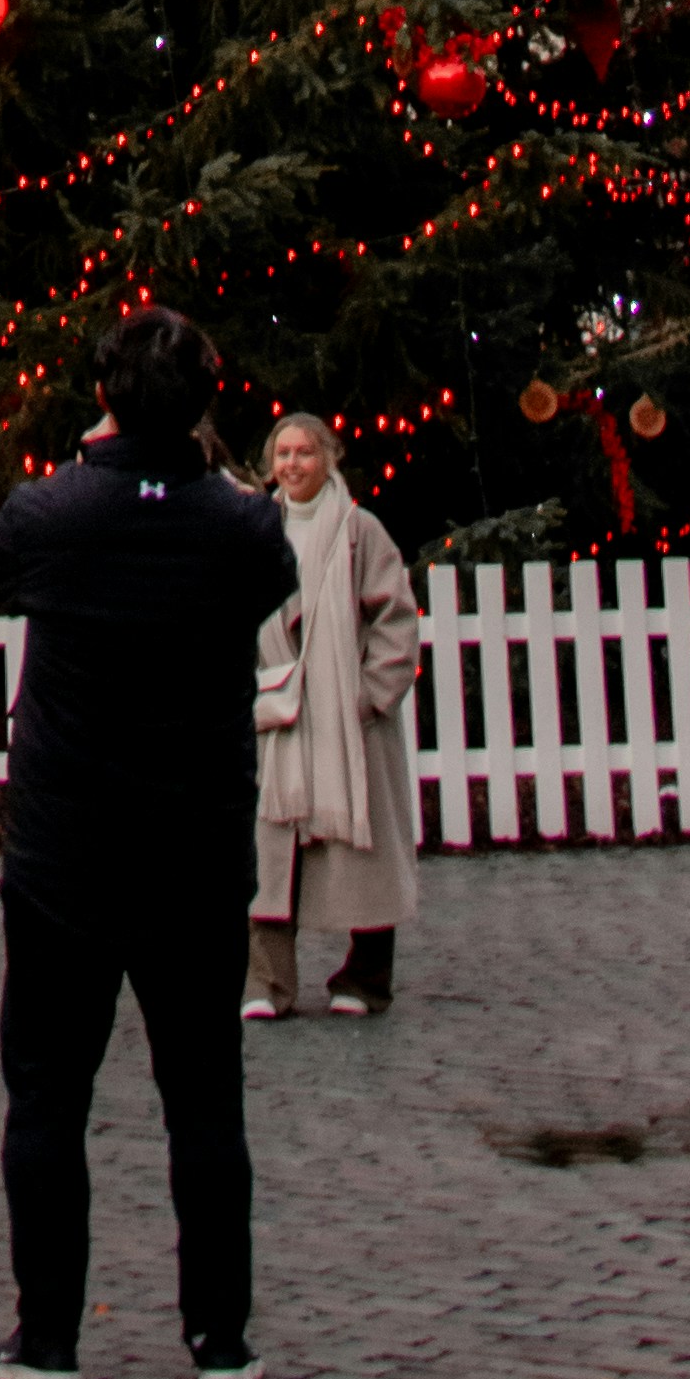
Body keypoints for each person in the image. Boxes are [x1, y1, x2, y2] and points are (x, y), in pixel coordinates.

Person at [0, 307, 298, 1379]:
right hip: (196, 845)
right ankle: (220, 1338)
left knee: (47, 1096)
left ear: (103, 399)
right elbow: (264, 578)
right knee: (203, 1096)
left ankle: (46, 1335)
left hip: (68, 850)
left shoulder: (55, 514)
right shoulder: (240, 529)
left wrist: (93, 462)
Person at [245, 408, 425, 1022]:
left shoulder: (359, 530)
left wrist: (369, 696)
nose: (292, 464)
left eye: (305, 452)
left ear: (330, 459)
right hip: (276, 714)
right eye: (283, 453)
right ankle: (268, 982)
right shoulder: (254, 529)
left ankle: (367, 977)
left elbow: (394, 617)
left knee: (363, 855)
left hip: (348, 722)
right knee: (270, 853)